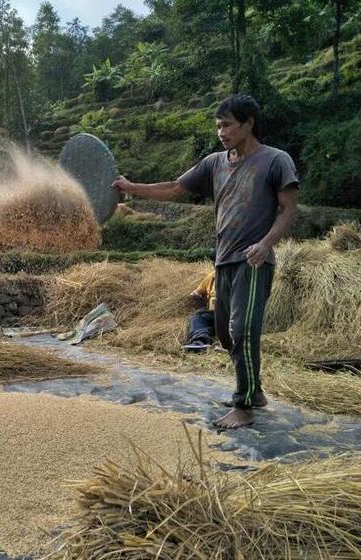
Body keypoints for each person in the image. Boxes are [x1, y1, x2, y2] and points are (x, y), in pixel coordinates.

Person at [112, 94, 298, 429]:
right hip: (223, 261)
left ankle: (244, 405)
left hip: (253, 261)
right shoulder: (214, 163)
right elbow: (173, 188)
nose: (221, 132)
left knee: (242, 331)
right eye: (218, 126)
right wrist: (131, 188)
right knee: (225, 335)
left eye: (227, 125)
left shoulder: (275, 161)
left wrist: (265, 244)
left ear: (248, 123)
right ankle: (254, 392)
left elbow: (289, 210)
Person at [184, 270, 216, 352]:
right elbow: (197, 292)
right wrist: (195, 295)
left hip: (235, 315)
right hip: (215, 314)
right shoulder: (212, 276)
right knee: (197, 318)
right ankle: (199, 343)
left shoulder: (242, 273)